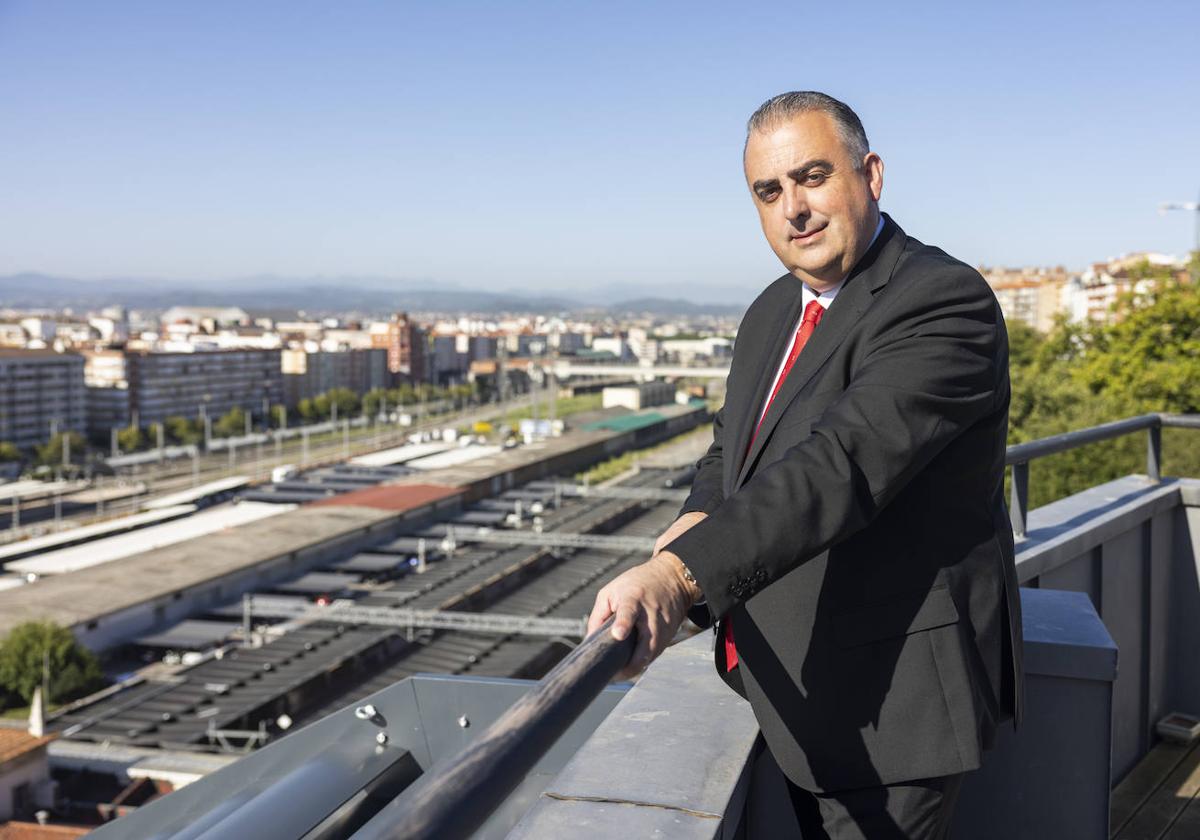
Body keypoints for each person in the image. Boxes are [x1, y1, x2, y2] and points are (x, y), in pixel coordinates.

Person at [585, 91, 1022, 839]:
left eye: (813, 176)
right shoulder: (769, 312)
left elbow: (839, 467)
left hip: (892, 711)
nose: (794, 208)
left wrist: (679, 575)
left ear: (871, 175)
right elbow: (734, 448)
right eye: (769, 190)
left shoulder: (941, 300)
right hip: (784, 691)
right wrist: (698, 511)